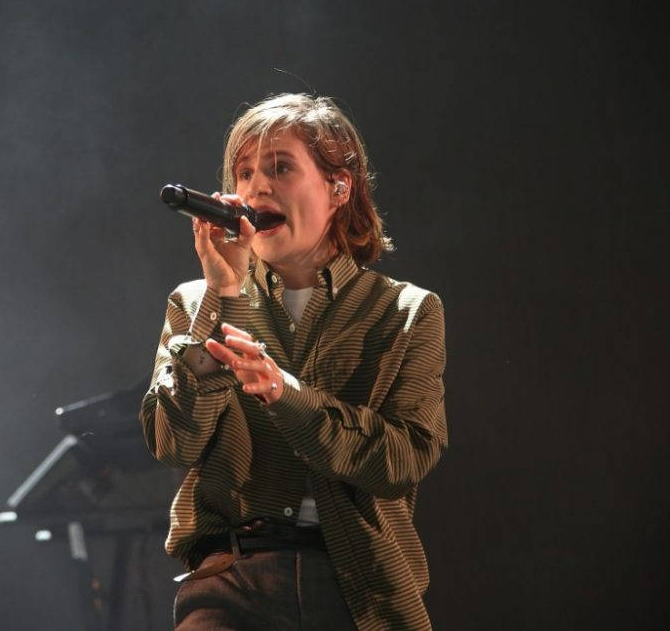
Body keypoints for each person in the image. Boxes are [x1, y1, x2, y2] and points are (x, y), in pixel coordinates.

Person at [141, 93, 447, 630]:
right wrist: (221, 292)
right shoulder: (195, 303)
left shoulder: (404, 312)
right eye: (243, 172)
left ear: (338, 187)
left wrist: (289, 396)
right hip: (230, 581)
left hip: (356, 587)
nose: (257, 186)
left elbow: (402, 461)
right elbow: (174, 443)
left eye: (280, 167)